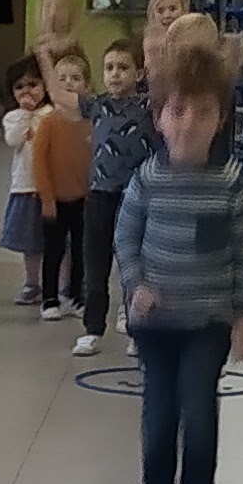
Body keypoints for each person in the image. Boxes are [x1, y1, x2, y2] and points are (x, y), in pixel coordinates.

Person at [117, 23, 243, 484]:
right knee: (159, 416)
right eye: (177, 112)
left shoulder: (233, 185)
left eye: (202, 113)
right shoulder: (146, 180)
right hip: (155, 326)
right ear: (159, 117)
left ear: (219, 120)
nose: (188, 124)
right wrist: (136, 285)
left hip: (208, 324)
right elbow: (125, 237)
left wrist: (241, 316)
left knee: (199, 410)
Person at [74, 33, 153, 356]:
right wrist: (45, 56)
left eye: (123, 67)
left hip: (136, 198)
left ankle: (137, 328)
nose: (116, 74)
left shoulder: (149, 105)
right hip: (99, 195)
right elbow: (61, 94)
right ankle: (93, 328)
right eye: (109, 68)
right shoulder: (97, 105)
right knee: (95, 266)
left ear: (139, 73)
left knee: (135, 266)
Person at [31, 43, 93, 322]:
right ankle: (50, 297)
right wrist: (47, 198)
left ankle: (77, 296)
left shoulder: (92, 122)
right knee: (54, 250)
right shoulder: (48, 123)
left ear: (87, 86)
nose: (68, 83)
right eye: (62, 78)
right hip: (54, 199)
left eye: (75, 78)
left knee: (81, 250)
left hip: (84, 199)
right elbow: (39, 164)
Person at [0, 60, 48, 301]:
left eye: (33, 84)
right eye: (19, 87)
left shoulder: (52, 114)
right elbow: (14, 139)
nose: (26, 91)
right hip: (25, 186)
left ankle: (64, 285)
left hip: (53, 187)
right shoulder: (13, 117)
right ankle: (32, 282)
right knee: (30, 242)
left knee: (61, 240)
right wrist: (25, 114)